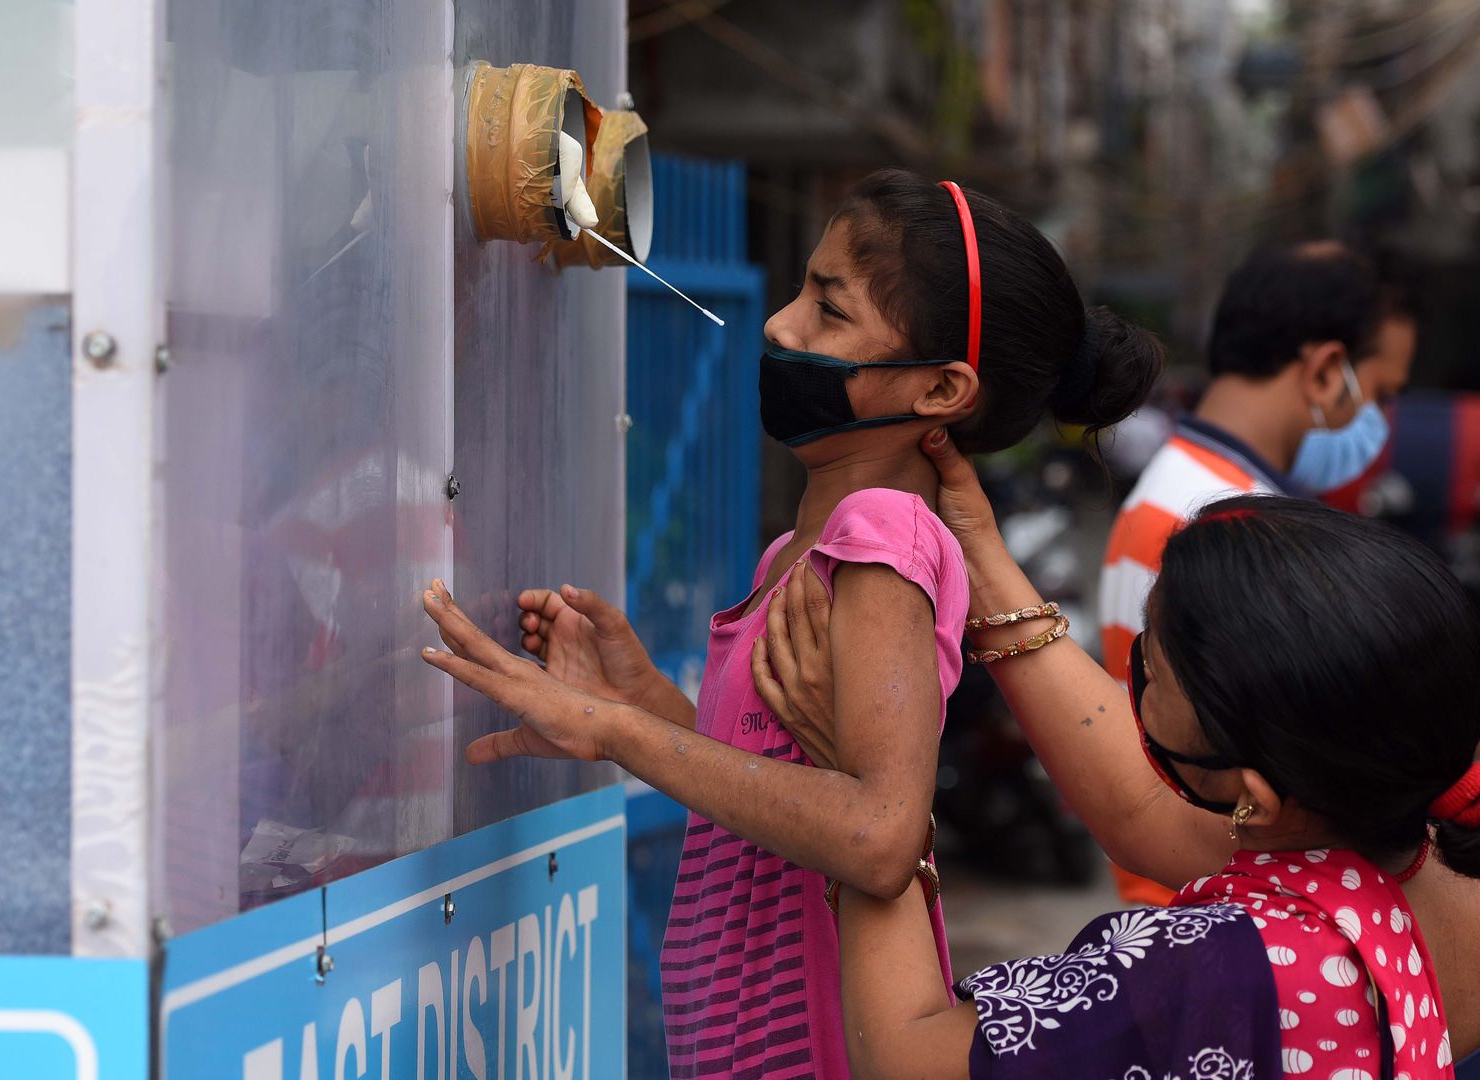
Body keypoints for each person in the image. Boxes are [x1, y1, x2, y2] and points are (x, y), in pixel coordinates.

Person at [416, 168, 1163, 1078]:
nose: (782, 324)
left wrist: (607, 726)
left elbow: (880, 836)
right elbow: (782, 796)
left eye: (828, 309)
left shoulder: (882, 536)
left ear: (940, 390)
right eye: (803, 290)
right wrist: (646, 706)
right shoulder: (794, 557)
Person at [756, 452, 1480, 1078]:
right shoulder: (1444, 850)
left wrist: (871, 786)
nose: (1134, 673)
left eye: (1152, 668)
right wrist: (980, 548)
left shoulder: (1204, 968)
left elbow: (905, 1055)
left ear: (1253, 799)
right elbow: (1141, 811)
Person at [1098, 242, 1443, 905]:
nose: (1378, 422)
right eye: (1381, 395)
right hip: (1211, 908)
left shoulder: (1204, 496)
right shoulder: (1212, 523)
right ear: (1325, 371)